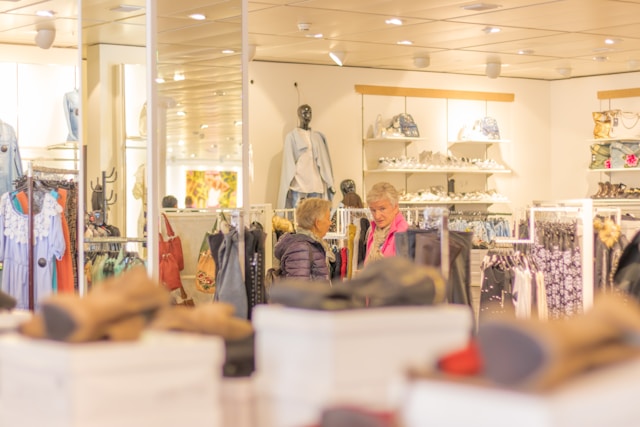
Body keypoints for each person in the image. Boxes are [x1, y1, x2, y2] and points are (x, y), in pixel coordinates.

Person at [277, 104, 335, 209]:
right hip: (299, 183)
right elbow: (288, 163)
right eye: (304, 113)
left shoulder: (318, 137)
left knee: (316, 214)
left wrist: (330, 181)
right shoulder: (291, 137)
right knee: (299, 215)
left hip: (316, 183)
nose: (307, 116)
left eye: (309, 113)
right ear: (299, 115)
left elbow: (325, 162)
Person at [274, 198, 335, 281]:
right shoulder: (301, 248)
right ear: (317, 223)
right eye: (328, 219)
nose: (330, 223)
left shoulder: (311, 245)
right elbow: (298, 289)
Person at [364, 182, 408, 265]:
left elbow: (403, 273)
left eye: (382, 209)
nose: (377, 216)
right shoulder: (374, 231)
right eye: (373, 210)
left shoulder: (403, 233)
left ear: (395, 207)